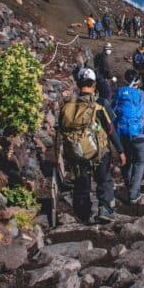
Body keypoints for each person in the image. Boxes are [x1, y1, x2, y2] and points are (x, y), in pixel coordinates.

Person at [59, 67, 126, 223]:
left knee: (82, 183)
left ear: (77, 83)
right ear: (94, 84)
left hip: (76, 152)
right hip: (99, 152)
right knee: (104, 180)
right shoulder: (100, 104)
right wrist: (120, 151)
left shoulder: (67, 106)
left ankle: (82, 214)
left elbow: (61, 129)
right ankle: (105, 210)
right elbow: (110, 130)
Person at [113, 69, 144, 205]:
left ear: (125, 80)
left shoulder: (120, 94)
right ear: (139, 81)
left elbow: (113, 113)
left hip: (123, 133)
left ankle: (129, 184)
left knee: (127, 161)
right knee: (139, 163)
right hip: (139, 135)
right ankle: (133, 193)